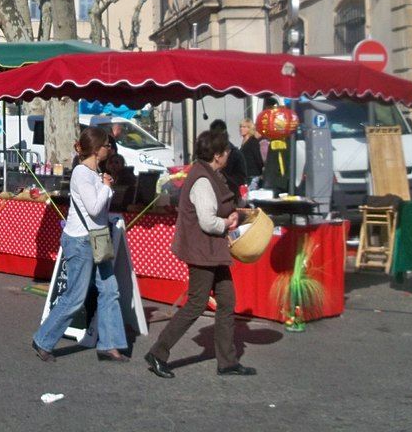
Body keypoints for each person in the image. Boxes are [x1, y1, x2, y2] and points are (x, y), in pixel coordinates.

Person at [144, 129, 256, 379]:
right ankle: (158, 352)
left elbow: (219, 211)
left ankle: (227, 361)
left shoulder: (211, 174)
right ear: (217, 155)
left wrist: (233, 215)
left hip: (212, 250)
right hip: (202, 250)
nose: (228, 154)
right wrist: (228, 223)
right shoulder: (203, 180)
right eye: (226, 150)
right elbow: (207, 222)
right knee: (196, 303)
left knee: (227, 301)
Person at [32, 126, 128, 363]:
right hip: (81, 241)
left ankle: (110, 344)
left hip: (97, 238)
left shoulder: (95, 174)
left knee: (109, 290)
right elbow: (95, 208)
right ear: (96, 149)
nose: (110, 149)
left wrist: (104, 184)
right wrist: (106, 188)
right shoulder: (81, 174)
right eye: (107, 145)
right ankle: (43, 339)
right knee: (75, 296)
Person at [209, 119, 248, 194]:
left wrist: (223, 178)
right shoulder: (208, 152)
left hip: (230, 195)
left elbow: (241, 180)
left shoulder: (235, 154)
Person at [239, 119, 266, 188]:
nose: (241, 129)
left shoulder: (253, 141)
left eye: (244, 127)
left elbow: (258, 158)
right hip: (246, 175)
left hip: (253, 175)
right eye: (241, 127)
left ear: (249, 129)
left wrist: (261, 171)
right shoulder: (244, 142)